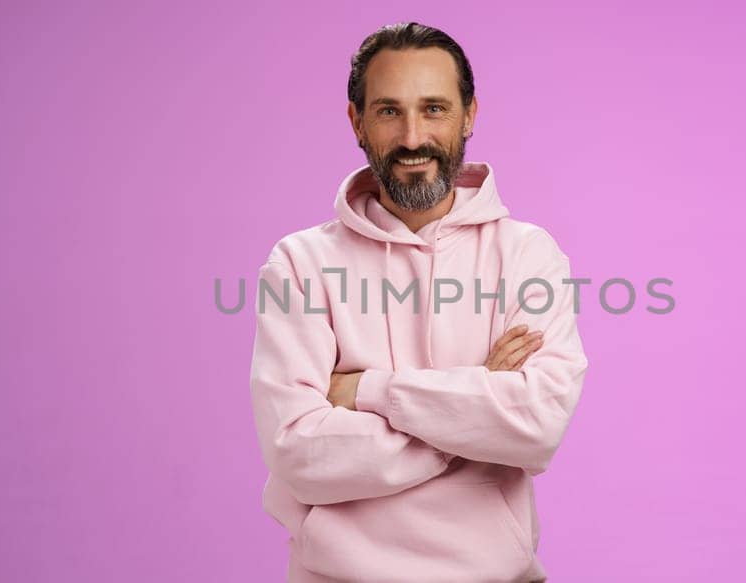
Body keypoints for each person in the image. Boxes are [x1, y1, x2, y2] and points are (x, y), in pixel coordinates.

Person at [249, 22, 588, 582]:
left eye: (434, 108)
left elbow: (537, 426)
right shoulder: (299, 264)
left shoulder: (527, 255)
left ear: (469, 114)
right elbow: (299, 455)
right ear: (357, 121)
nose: (412, 138)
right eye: (388, 111)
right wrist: (472, 410)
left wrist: (366, 390)